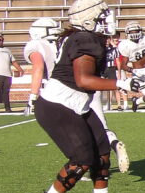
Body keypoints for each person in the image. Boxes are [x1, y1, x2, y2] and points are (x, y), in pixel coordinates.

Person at [33, 0, 145, 193]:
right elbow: (84, 80)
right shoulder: (84, 39)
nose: (107, 21)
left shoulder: (90, 38)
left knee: (102, 150)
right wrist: (121, 84)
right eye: (101, 17)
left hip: (77, 104)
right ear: (87, 21)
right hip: (58, 105)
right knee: (83, 158)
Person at [25, 17, 131, 174]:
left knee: (78, 139)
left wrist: (33, 95)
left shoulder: (37, 45)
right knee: (100, 129)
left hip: (62, 94)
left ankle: (80, 170)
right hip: (89, 88)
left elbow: (38, 67)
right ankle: (113, 144)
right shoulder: (65, 40)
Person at [0, 34, 23, 113]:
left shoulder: (7, 50)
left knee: (6, 92)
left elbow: (13, 61)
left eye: (2, 40)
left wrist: (20, 69)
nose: (0, 42)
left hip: (7, 74)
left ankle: (7, 108)